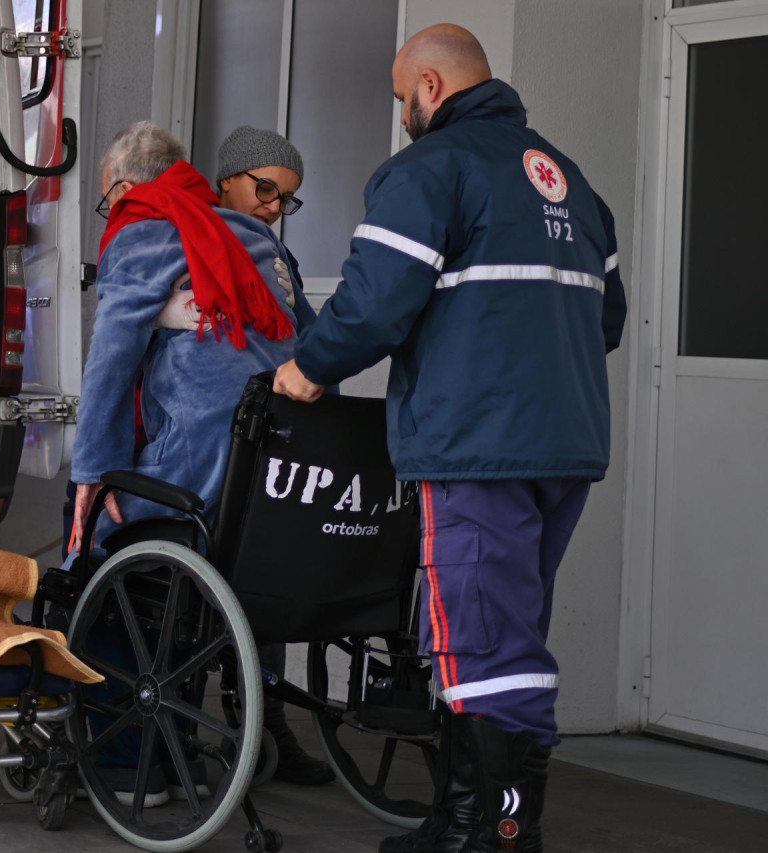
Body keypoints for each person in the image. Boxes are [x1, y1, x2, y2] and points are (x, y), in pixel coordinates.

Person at [273, 24, 627, 853]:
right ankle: (491, 818)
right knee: (516, 627)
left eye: (402, 98)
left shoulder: (429, 170)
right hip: (565, 443)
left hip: (476, 443)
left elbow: (373, 303)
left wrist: (309, 369)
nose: (402, 114)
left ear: (430, 87)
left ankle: (484, 831)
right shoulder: (572, 183)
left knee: (472, 630)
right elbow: (603, 319)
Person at [70, 120, 314, 806]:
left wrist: (90, 476)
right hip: (273, 481)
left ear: (123, 187)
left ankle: (127, 762)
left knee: (99, 554)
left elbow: (111, 366)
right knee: (182, 586)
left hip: (202, 470)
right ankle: (180, 757)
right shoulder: (261, 246)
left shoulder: (144, 227)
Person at [198, 124, 335, 789]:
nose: (275, 205)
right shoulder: (188, 235)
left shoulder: (278, 259)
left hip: (268, 439)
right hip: (203, 442)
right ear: (228, 179)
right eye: (266, 188)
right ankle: (212, 724)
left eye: (286, 198)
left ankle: (266, 719)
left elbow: (310, 336)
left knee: (267, 569)